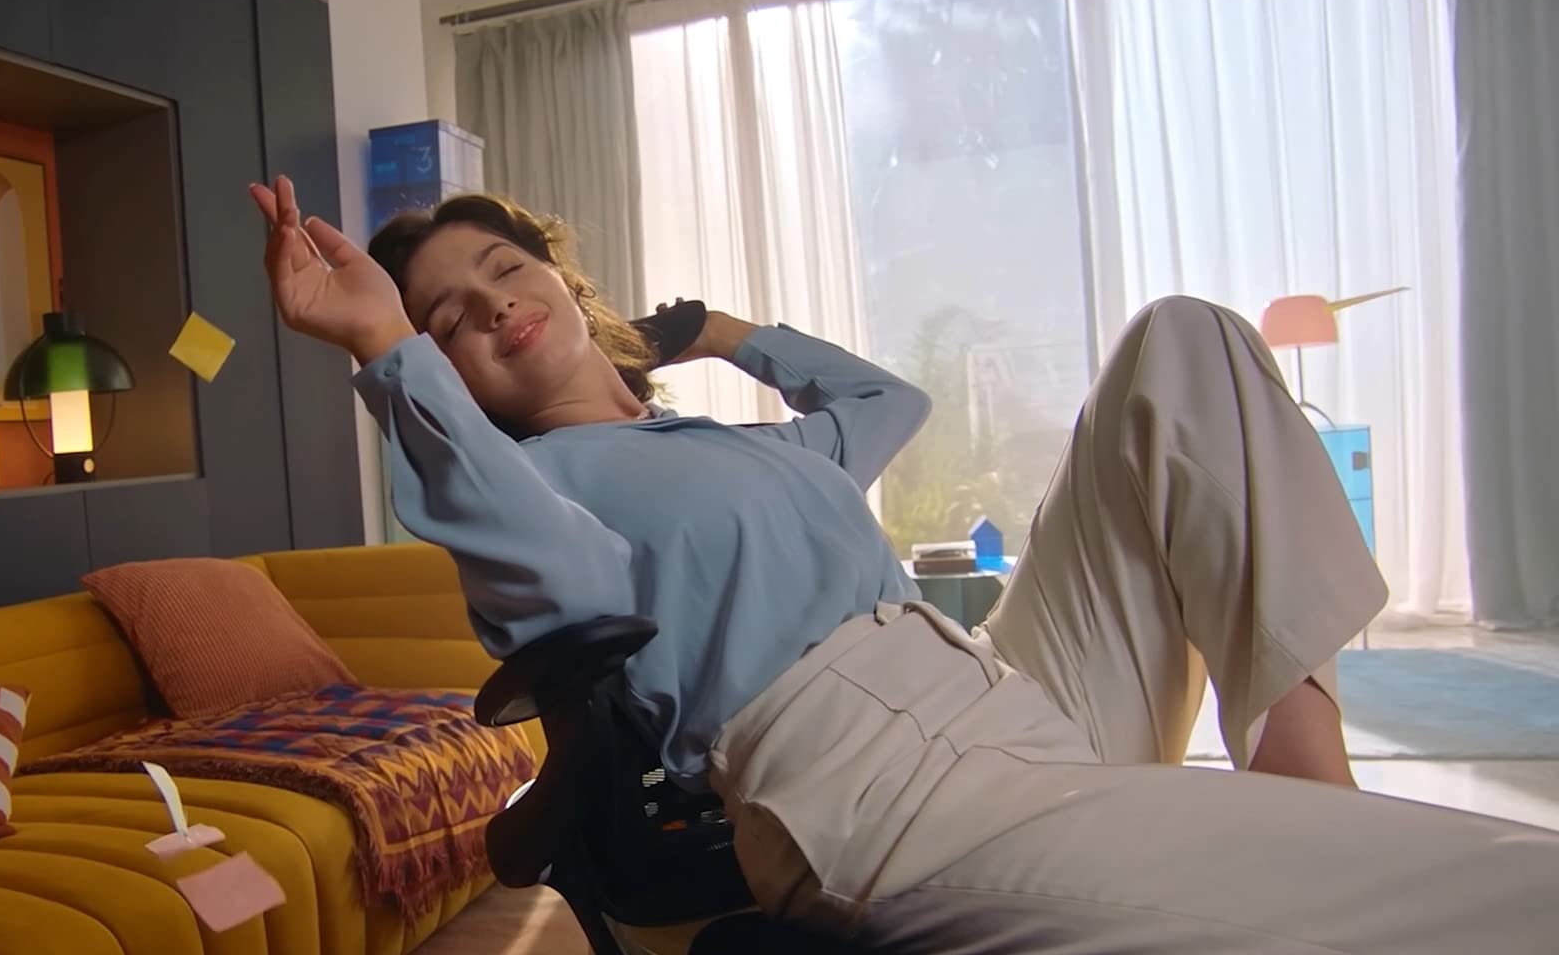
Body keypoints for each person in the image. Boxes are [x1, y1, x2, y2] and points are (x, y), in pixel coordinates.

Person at [249, 175, 1559, 954]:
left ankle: (1297, 751)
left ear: (561, 282)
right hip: (879, 789)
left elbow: (888, 403)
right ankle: (1313, 821)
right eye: (449, 321)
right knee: (1479, 899)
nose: (490, 304)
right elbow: (563, 592)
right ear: (453, 382)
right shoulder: (532, 488)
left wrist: (726, 333)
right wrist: (383, 350)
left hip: (1000, 697)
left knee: (1182, 341)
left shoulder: (737, 448)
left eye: (504, 267)